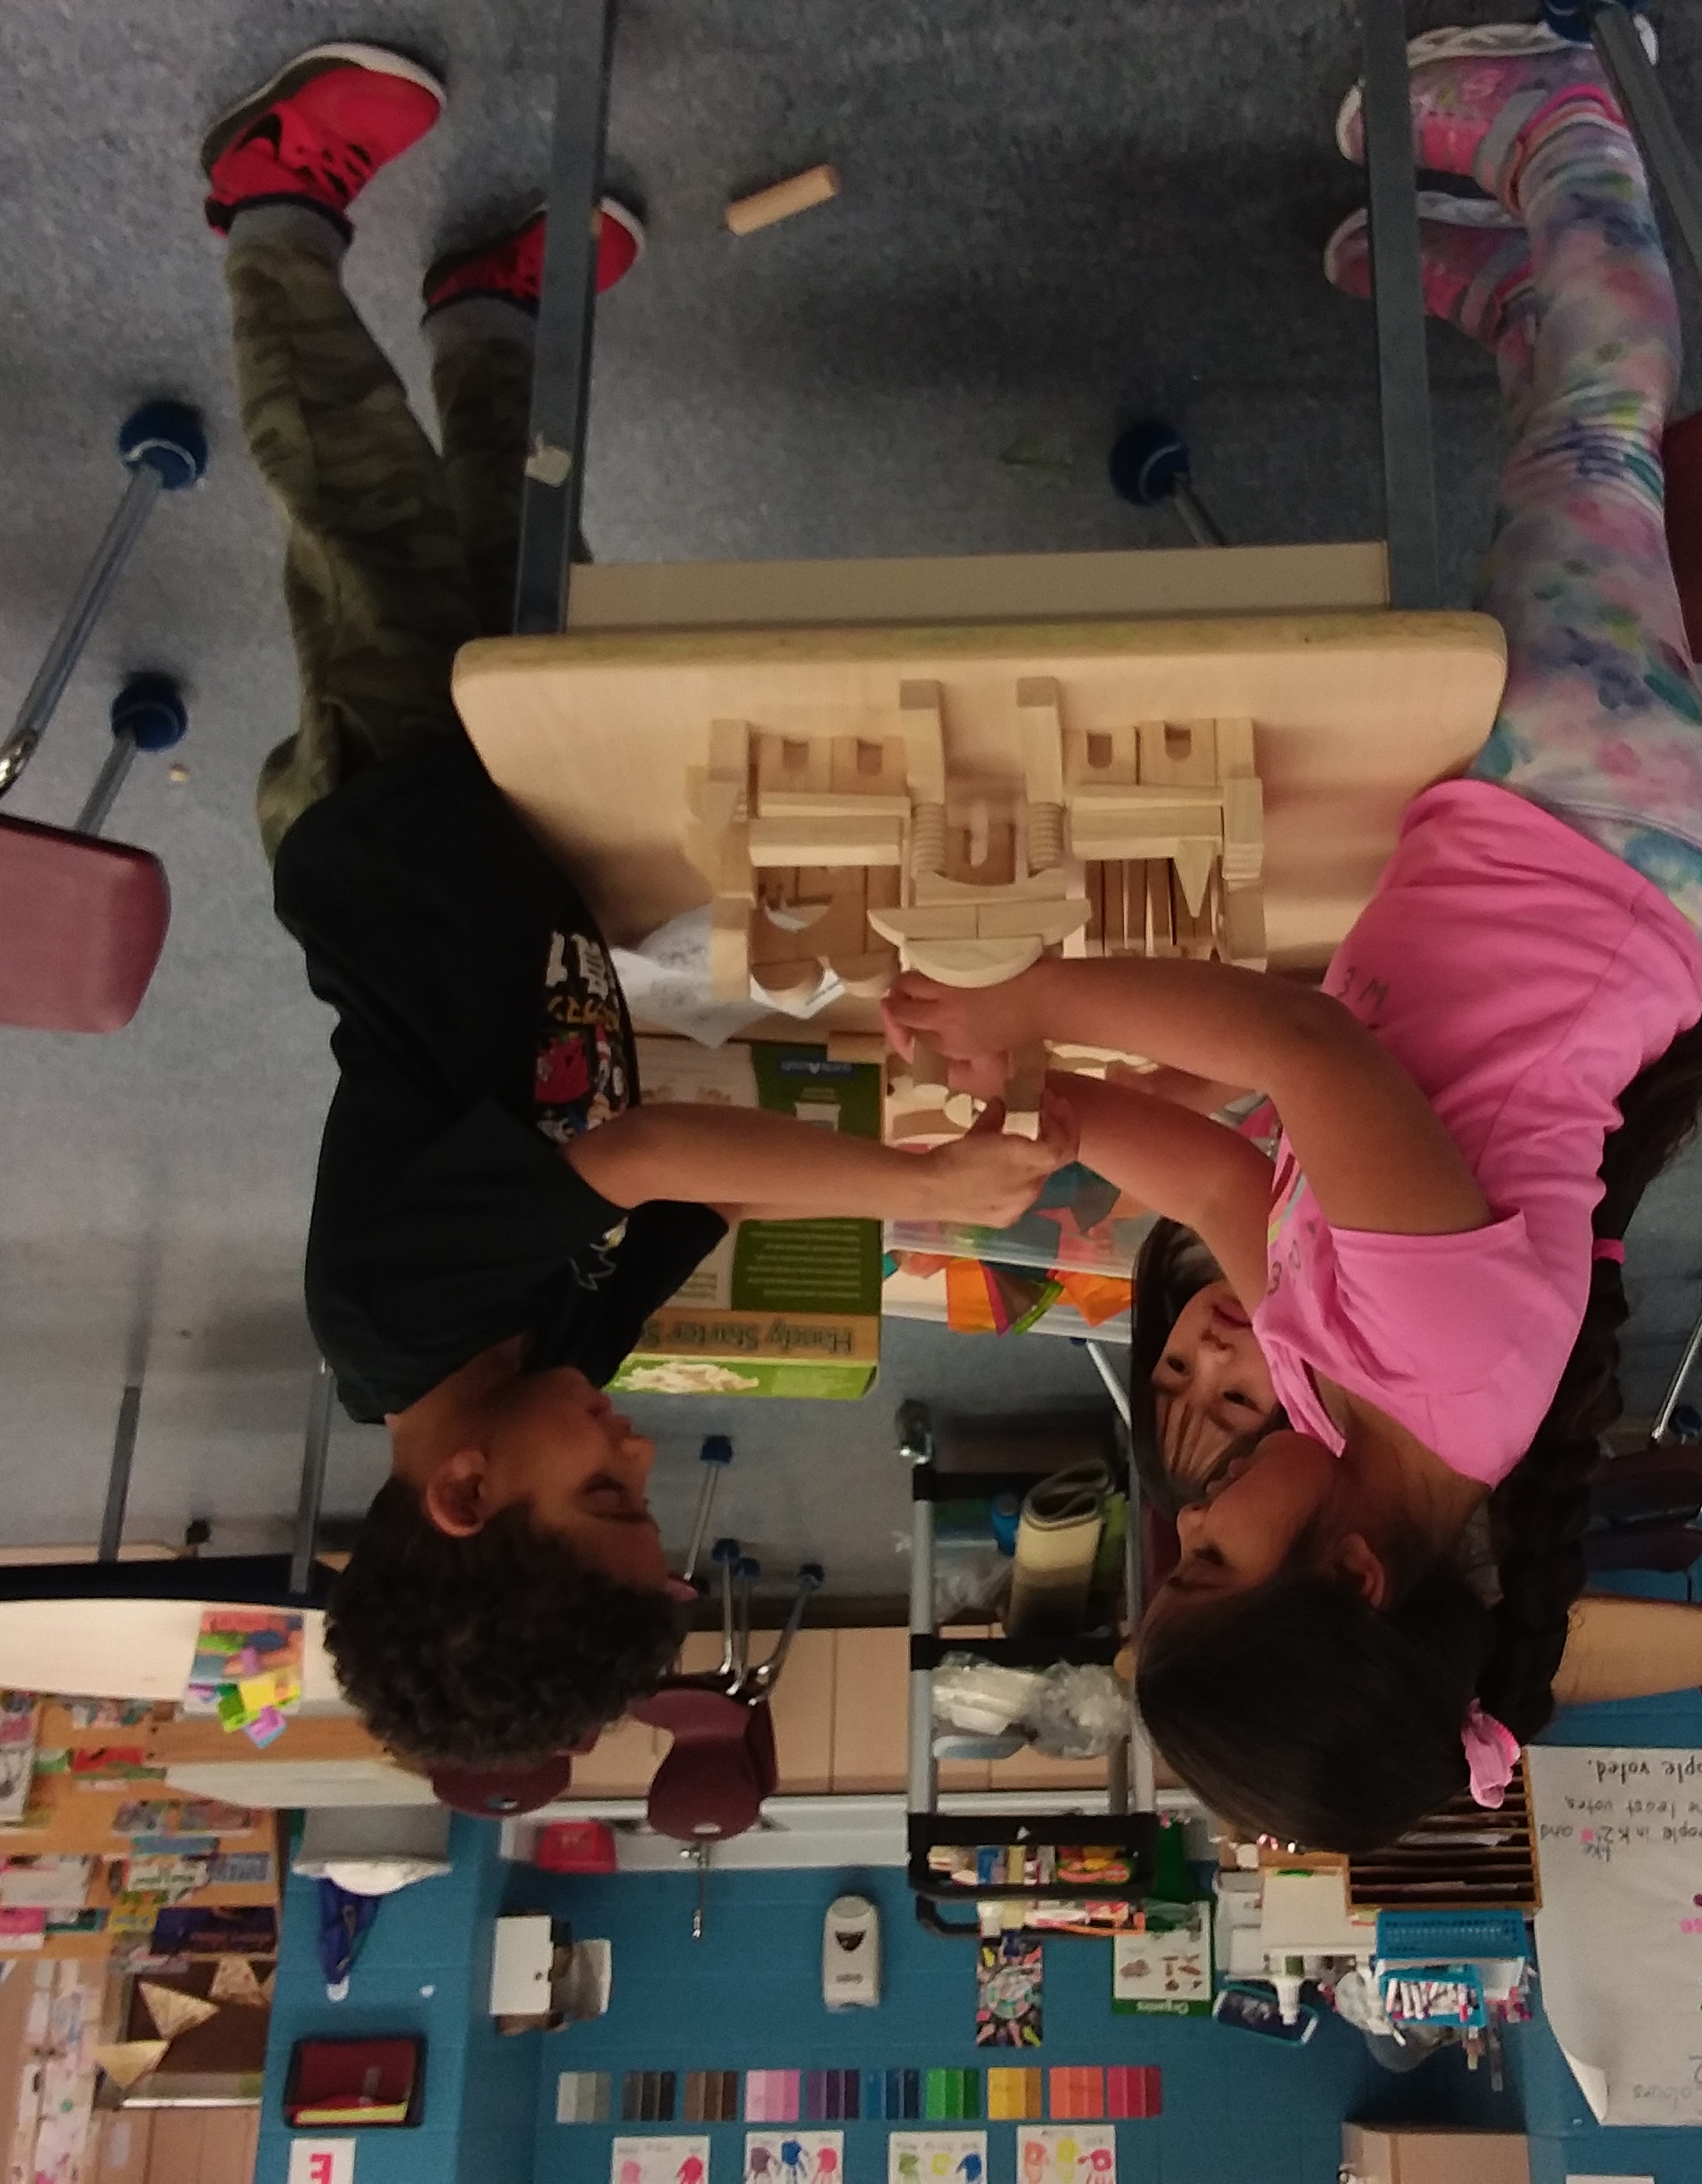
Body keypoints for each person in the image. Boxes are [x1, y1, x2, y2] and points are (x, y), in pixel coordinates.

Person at [884, 23, 1702, 1850]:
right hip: (1603, 833)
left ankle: (1497, 295)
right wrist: (1030, 995)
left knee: (1543, 479)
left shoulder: (1344, 1414)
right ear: (1354, 1582)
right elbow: (1303, 1060)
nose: (1185, 1514)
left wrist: (1032, 1114)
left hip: (1511, 858)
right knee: (1602, 440)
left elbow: (1212, 1180)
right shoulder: (1450, 1370)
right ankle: (1557, 119)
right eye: (1204, 1564)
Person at [201, 45, 1075, 1773]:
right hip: (513, 877)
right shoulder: (547, 1368)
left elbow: (638, 1159)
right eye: (640, 1497)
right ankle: (490, 328)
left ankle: (271, 216)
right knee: (524, 596)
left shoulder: (389, 1316)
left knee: (365, 533)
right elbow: (694, 1185)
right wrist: (902, 1098)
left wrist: (914, 1185)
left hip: (384, 826)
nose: (634, 1452)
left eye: (602, 1490)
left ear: (459, 1490)